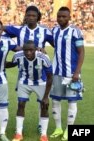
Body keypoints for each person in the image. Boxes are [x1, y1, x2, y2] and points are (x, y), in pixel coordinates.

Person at [5, 5, 54, 133]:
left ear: (38, 17)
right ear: (25, 17)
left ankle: (40, 125)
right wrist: (15, 47)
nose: (31, 18)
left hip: (41, 72)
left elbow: (57, 44)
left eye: (34, 15)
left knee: (42, 102)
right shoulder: (18, 30)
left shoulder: (45, 31)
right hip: (24, 72)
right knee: (21, 102)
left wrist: (45, 51)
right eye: (29, 15)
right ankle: (19, 130)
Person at [50, 7, 85, 141]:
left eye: (64, 16)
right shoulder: (54, 30)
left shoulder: (75, 31)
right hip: (57, 72)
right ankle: (58, 128)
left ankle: (68, 130)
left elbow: (81, 52)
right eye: (59, 16)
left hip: (72, 74)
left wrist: (77, 71)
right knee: (56, 101)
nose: (61, 19)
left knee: (72, 102)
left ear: (69, 17)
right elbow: (56, 45)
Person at [6, 40, 53, 141]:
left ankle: (44, 135)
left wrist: (46, 97)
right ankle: (18, 133)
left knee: (44, 106)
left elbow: (50, 77)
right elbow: (12, 63)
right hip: (25, 82)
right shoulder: (18, 56)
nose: (28, 53)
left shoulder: (43, 57)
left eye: (31, 50)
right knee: (21, 104)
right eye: (26, 50)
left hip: (41, 82)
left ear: (36, 49)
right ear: (22, 50)